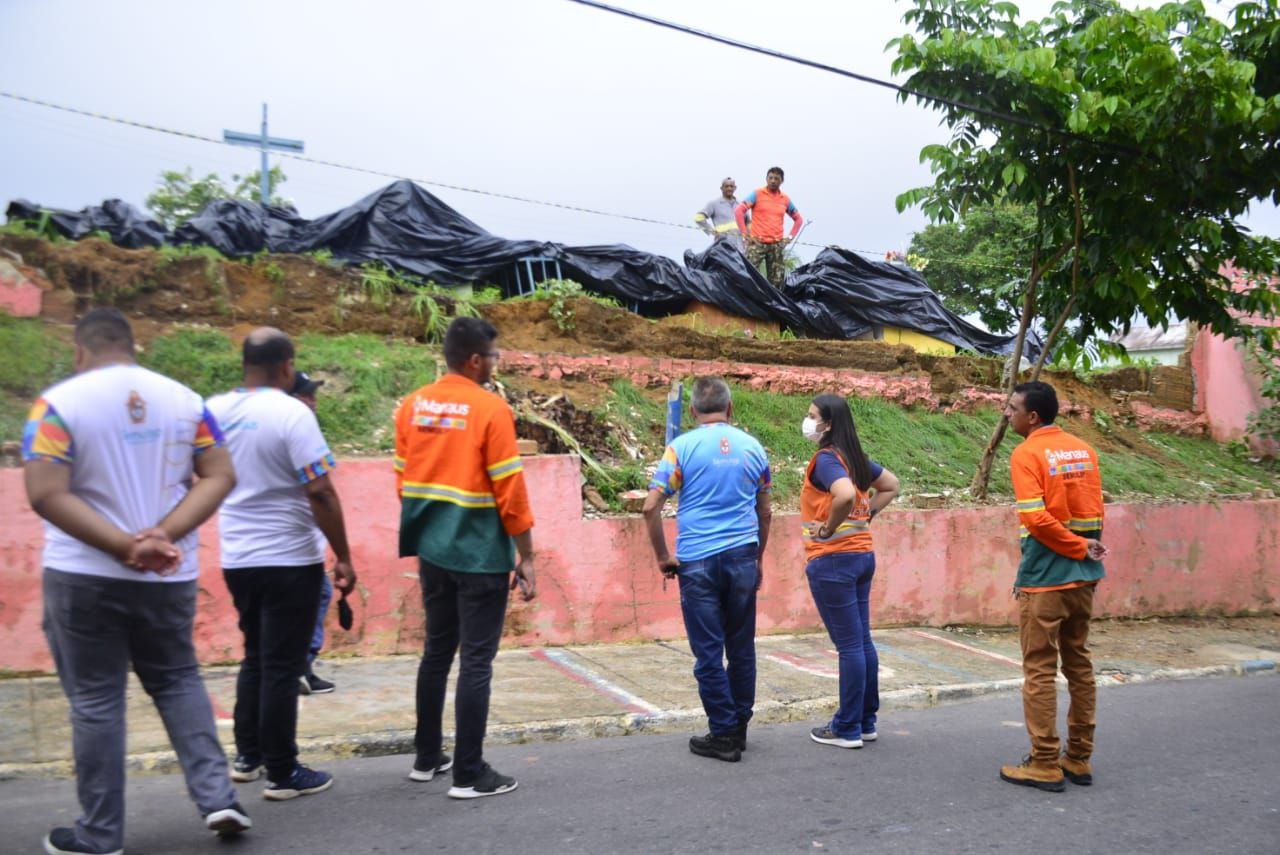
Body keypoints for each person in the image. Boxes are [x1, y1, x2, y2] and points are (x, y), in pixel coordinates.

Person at [23, 307, 251, 854]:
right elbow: (219, 475)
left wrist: (125, 546)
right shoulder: (184, 401)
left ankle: (100, 836)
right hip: (169, 573)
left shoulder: (57, 405)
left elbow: (45, 492)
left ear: (81, 351)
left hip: (85, 575)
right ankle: (220, 798)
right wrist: (162, 536)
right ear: (133, 346)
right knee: (177, 680)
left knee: (97, 701)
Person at [207, 329, 357, 802]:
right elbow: (320, 490)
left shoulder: (213, 410)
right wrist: (345, 555)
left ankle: (248, 756)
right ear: (286, 366)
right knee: (282, 665)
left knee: (255, 655)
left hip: (237, 556)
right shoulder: (292, 412)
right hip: (289, 556)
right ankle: (283, 770)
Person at [395, 316, 537, 799]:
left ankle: (427, 756)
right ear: (476, 359)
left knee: (436, 652)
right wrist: (527, 556)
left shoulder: (413, 406)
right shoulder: (490, 409)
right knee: (476, 661)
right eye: (495, 356)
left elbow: (403, 480)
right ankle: (469, 773)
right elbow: (510, 491)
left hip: (433, 552)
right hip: (478, 555)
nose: (497, 365)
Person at [643, 377, 772, 763]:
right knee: (741, 646)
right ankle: (739, 727)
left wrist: (663, 556)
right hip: (742, 557)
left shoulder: (680, 448)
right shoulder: (754, 448)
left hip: (697, 561)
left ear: (695, 412)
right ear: (731, 409)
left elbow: (651, 507)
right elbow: (765, 510)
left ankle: (723, 733)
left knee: (709, 653)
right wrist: (759, 557)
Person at [1000, 381, 1108, 792]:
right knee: (1079, 664)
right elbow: (1093, 511)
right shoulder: (1084, 450)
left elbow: (1037, 521)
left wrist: (1077, 545)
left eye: (1012, 409)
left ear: (1033, 417)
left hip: (1046, 580)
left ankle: (1045, 762)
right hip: (1084, 579)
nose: (1006, 414)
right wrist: (1085, 549)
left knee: (1040, 670)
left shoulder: (1026, 453)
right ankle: (1078, 758)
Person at [800, 394, 899, 750]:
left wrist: (828, 528)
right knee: (862, 641)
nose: (807, 421)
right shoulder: (854, 457)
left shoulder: (827, 460)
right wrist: (866, 514)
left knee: (849, 646)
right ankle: (865, 720)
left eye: (813, 416)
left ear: (828, 423)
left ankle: (846, 727)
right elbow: (891, 484)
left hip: (834, 560)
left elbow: (842, 495)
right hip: (861, 558)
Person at [291, 370, 336, 696]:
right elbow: (321, 490)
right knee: (317, 594)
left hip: (288, 540)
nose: (313, 401)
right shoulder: (295, 428)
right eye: (306, 394)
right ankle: (299, 665)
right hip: (294, 542)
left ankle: (299, 667)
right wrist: (343, 553)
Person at [735, 166, 804, 288]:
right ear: (766, 179)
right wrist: (745, 234)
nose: (773, 181)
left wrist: (789, 238)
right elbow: (739, 211)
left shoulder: (785, 199)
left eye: (776, 178)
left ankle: (773, 306)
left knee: (776, 283)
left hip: (776, 246)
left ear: (781, 181)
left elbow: (798, 220)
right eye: (770, 178)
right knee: (748, 277)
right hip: (757, 244)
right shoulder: (757, 194)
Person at [694, 177, 745, 252]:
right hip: (722, 246)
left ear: (735, 188)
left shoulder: (741, 205)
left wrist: (748, 238)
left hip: (740, 247)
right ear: (721, 188)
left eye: (731, 186)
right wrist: (711, 231)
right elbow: (699, 218)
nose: (729, 188)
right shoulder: (714, 204)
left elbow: (748, 222)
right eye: (726, 186)